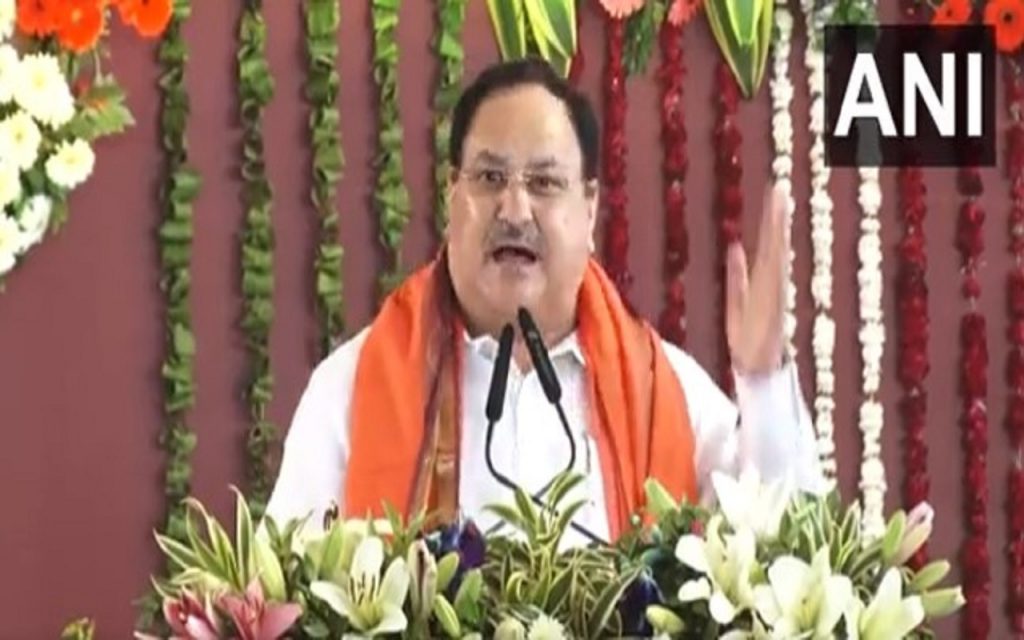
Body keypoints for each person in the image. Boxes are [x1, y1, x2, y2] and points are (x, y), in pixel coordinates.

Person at [264, 58, 824, 546]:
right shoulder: (351, 389)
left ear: (589, 208)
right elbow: (284, 597)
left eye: (544, 182)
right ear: (452, 196)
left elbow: (783, 555)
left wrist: (763, 382)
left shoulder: (665, 392)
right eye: (489, 177)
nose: (514, 209)